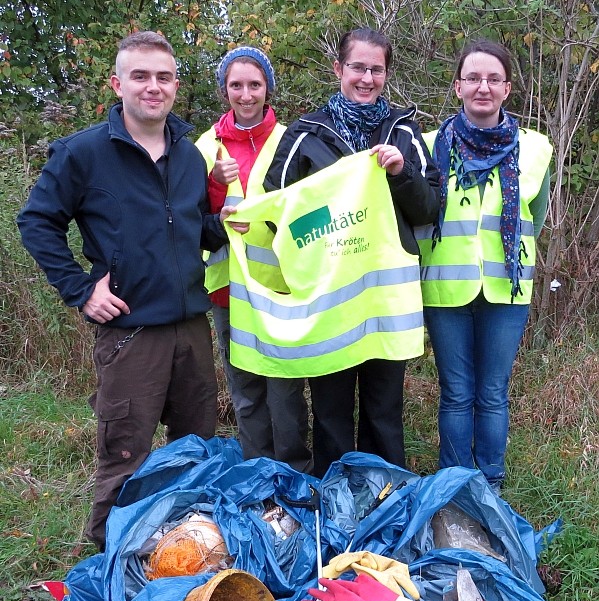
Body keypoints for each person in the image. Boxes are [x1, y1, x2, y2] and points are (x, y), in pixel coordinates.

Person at [17, 31, 244, 550]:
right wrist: (80, 289)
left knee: (193, 457)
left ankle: (180, 565)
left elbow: (187, 231)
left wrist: (220, 223)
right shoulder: (84, 153)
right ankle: (103, 577)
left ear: (176, 87)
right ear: (118, 83)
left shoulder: (189, 157)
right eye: (140, 76)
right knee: (124, 459)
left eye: (163, 77)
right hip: (130, 333)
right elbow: (36, 223)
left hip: (189, 327)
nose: (152, 87)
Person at [264, 27, 440, 477]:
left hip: (387, 297)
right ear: (339, 68)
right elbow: (274, 203)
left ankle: (385, 497)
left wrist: (401, 173)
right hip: (331, 297)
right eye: (358, 67)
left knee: (384, 409)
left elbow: (428, 207)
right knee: (332, 408)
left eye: (376, 69)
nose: (367, 78)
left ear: (386, 74)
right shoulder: (307, 135)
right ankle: (337, 496)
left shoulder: (404, 132)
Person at [415, 39, 553, 490]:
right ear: (457, 86)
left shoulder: (534, 149)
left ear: (507, 89)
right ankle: (454, 486)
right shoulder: (430, 146)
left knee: (492, 394)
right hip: (445, 288)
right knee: (457, 393)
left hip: (505, 291)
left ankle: (489, 484)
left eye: (493, 79)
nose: (483, 87)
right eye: (473, 78)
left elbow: (539, 213)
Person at [195, 46, 312, 471]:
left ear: (268, 89)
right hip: (227, 286)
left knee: (284, 387)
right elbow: (190, 216)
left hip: (279, 285)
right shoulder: (206, 146)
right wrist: (213, 185)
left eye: (255, 84)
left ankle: (295, 473)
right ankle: (256, 473)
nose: (246, 94)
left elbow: (305, 209)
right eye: (236, 85)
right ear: (225, 90)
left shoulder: (292, 139)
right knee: (244, 388)